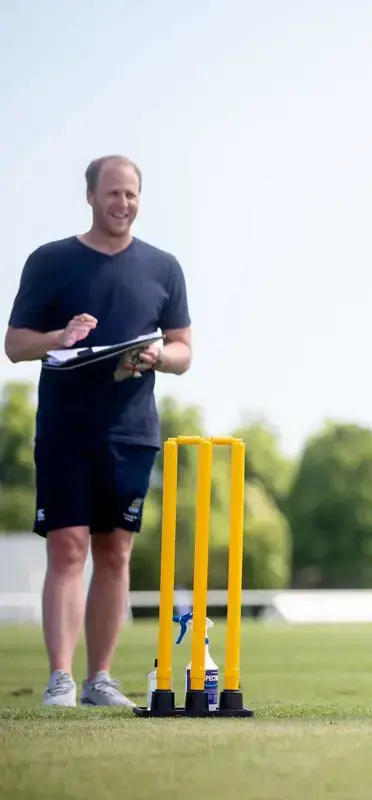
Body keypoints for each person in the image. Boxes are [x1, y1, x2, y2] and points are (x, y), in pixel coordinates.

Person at [4, 155, 192, 707]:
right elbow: (15, 344)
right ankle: (60, 678)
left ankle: (99, 680)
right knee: (67, 548)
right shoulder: (51, 261)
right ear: (90, 196)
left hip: (131, 431)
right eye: (112, 194)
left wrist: (157, 355)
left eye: (131, 194)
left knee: (116, 553)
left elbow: (184, 351)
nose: (123, 204)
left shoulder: (164, 267)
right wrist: (59, 337)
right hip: (64, 428)